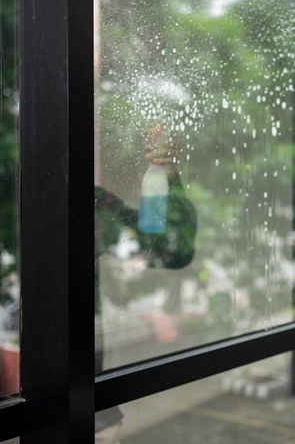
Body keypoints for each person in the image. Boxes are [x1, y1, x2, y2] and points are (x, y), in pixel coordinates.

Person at [94, 124, 197, 443]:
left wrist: (165, 175)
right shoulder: (100, 205)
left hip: (94, 372)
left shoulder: (107, 204)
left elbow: (173, 252)